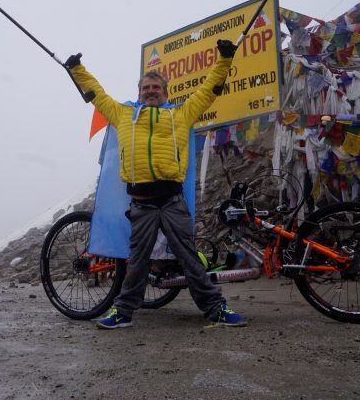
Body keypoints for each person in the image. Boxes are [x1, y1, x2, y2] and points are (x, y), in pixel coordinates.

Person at [66, 39, 246, 329]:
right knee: (136, 262)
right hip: (141, 204)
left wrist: (224, 59)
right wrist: (76, 69)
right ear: (139, 93)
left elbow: (209, 90)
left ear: (165, 93)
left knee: (188, 257)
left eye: (156, 88)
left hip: (172, 201)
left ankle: (216, 309)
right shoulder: (122, 114)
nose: (151, 92)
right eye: (146, 88)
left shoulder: (180, 114)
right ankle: (122, 313)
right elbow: (95, 94)